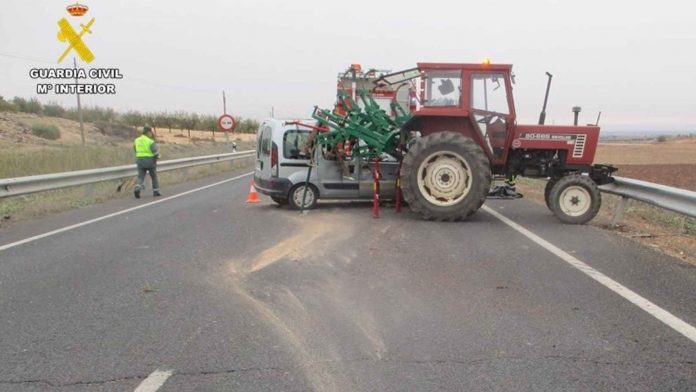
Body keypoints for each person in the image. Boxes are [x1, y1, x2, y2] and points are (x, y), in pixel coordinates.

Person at [133, 126, 161, 199]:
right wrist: (158, 156)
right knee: (153, 176)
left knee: (140, 177)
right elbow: (155, 152)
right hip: (150, 161)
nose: (151, 134)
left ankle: (137, 189)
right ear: (148, 132)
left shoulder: (136, 140)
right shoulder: (150, 141)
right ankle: (156, 191)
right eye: (151, 132)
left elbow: (135, 149)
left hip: (140, 161)